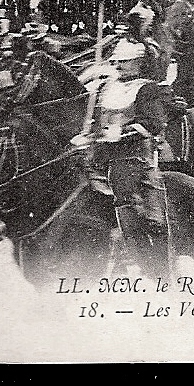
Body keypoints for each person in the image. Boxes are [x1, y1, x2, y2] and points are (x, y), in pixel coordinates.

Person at [75, 38, 171, 239]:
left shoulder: (146, 89)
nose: (118, 65)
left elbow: (152, 124)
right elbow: (97, 120)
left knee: (121, 182)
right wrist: (87, 135)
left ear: (137, 62)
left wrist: (122, 132)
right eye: (116, 61)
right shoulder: (104, 87)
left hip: (132, 155)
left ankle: (130, 237)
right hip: (100, 153)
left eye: (124, 61)